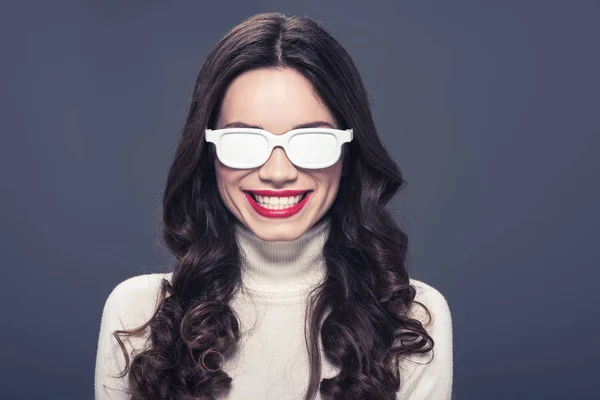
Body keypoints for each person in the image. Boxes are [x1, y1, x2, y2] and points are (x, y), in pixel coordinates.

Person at [94, 12, 453, 400]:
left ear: (348, 154)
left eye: (312, 142)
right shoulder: (137, 318)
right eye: (244, 141)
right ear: (207, 155)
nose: (278, 172)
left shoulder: (413, 322)